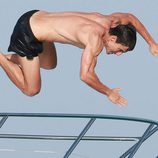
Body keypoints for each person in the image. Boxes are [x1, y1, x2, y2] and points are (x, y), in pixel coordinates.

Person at [0, 10, 158, 106]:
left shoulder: (111, 21)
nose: (118, 54)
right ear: (112, 40)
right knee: (31, 89)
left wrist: (151, 43)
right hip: (28, 33)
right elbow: (85, 75)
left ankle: (15, 60)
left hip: (35, 15)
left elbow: (131, 18)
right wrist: (108, 92)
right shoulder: (95, 39)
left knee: (49, 64)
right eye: (120, 50)